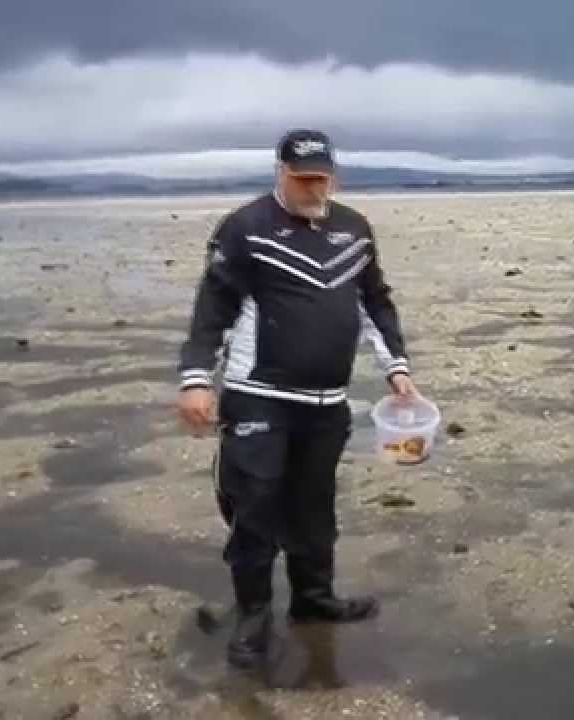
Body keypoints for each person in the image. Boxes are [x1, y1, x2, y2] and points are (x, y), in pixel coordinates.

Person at [176, 128, 418, 669]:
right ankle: (254, 613)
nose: (314, 187)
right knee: (256, 508)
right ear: (279, 173)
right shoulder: (244, 229)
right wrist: (195, 379)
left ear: (335, 175)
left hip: (326, 403)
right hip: (258, 397)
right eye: (302, 177)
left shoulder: (354, 231)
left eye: (322, 178)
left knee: (315, 507)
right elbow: (211, 309)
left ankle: (313, 598)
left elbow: (375, 302)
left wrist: (396, 368)